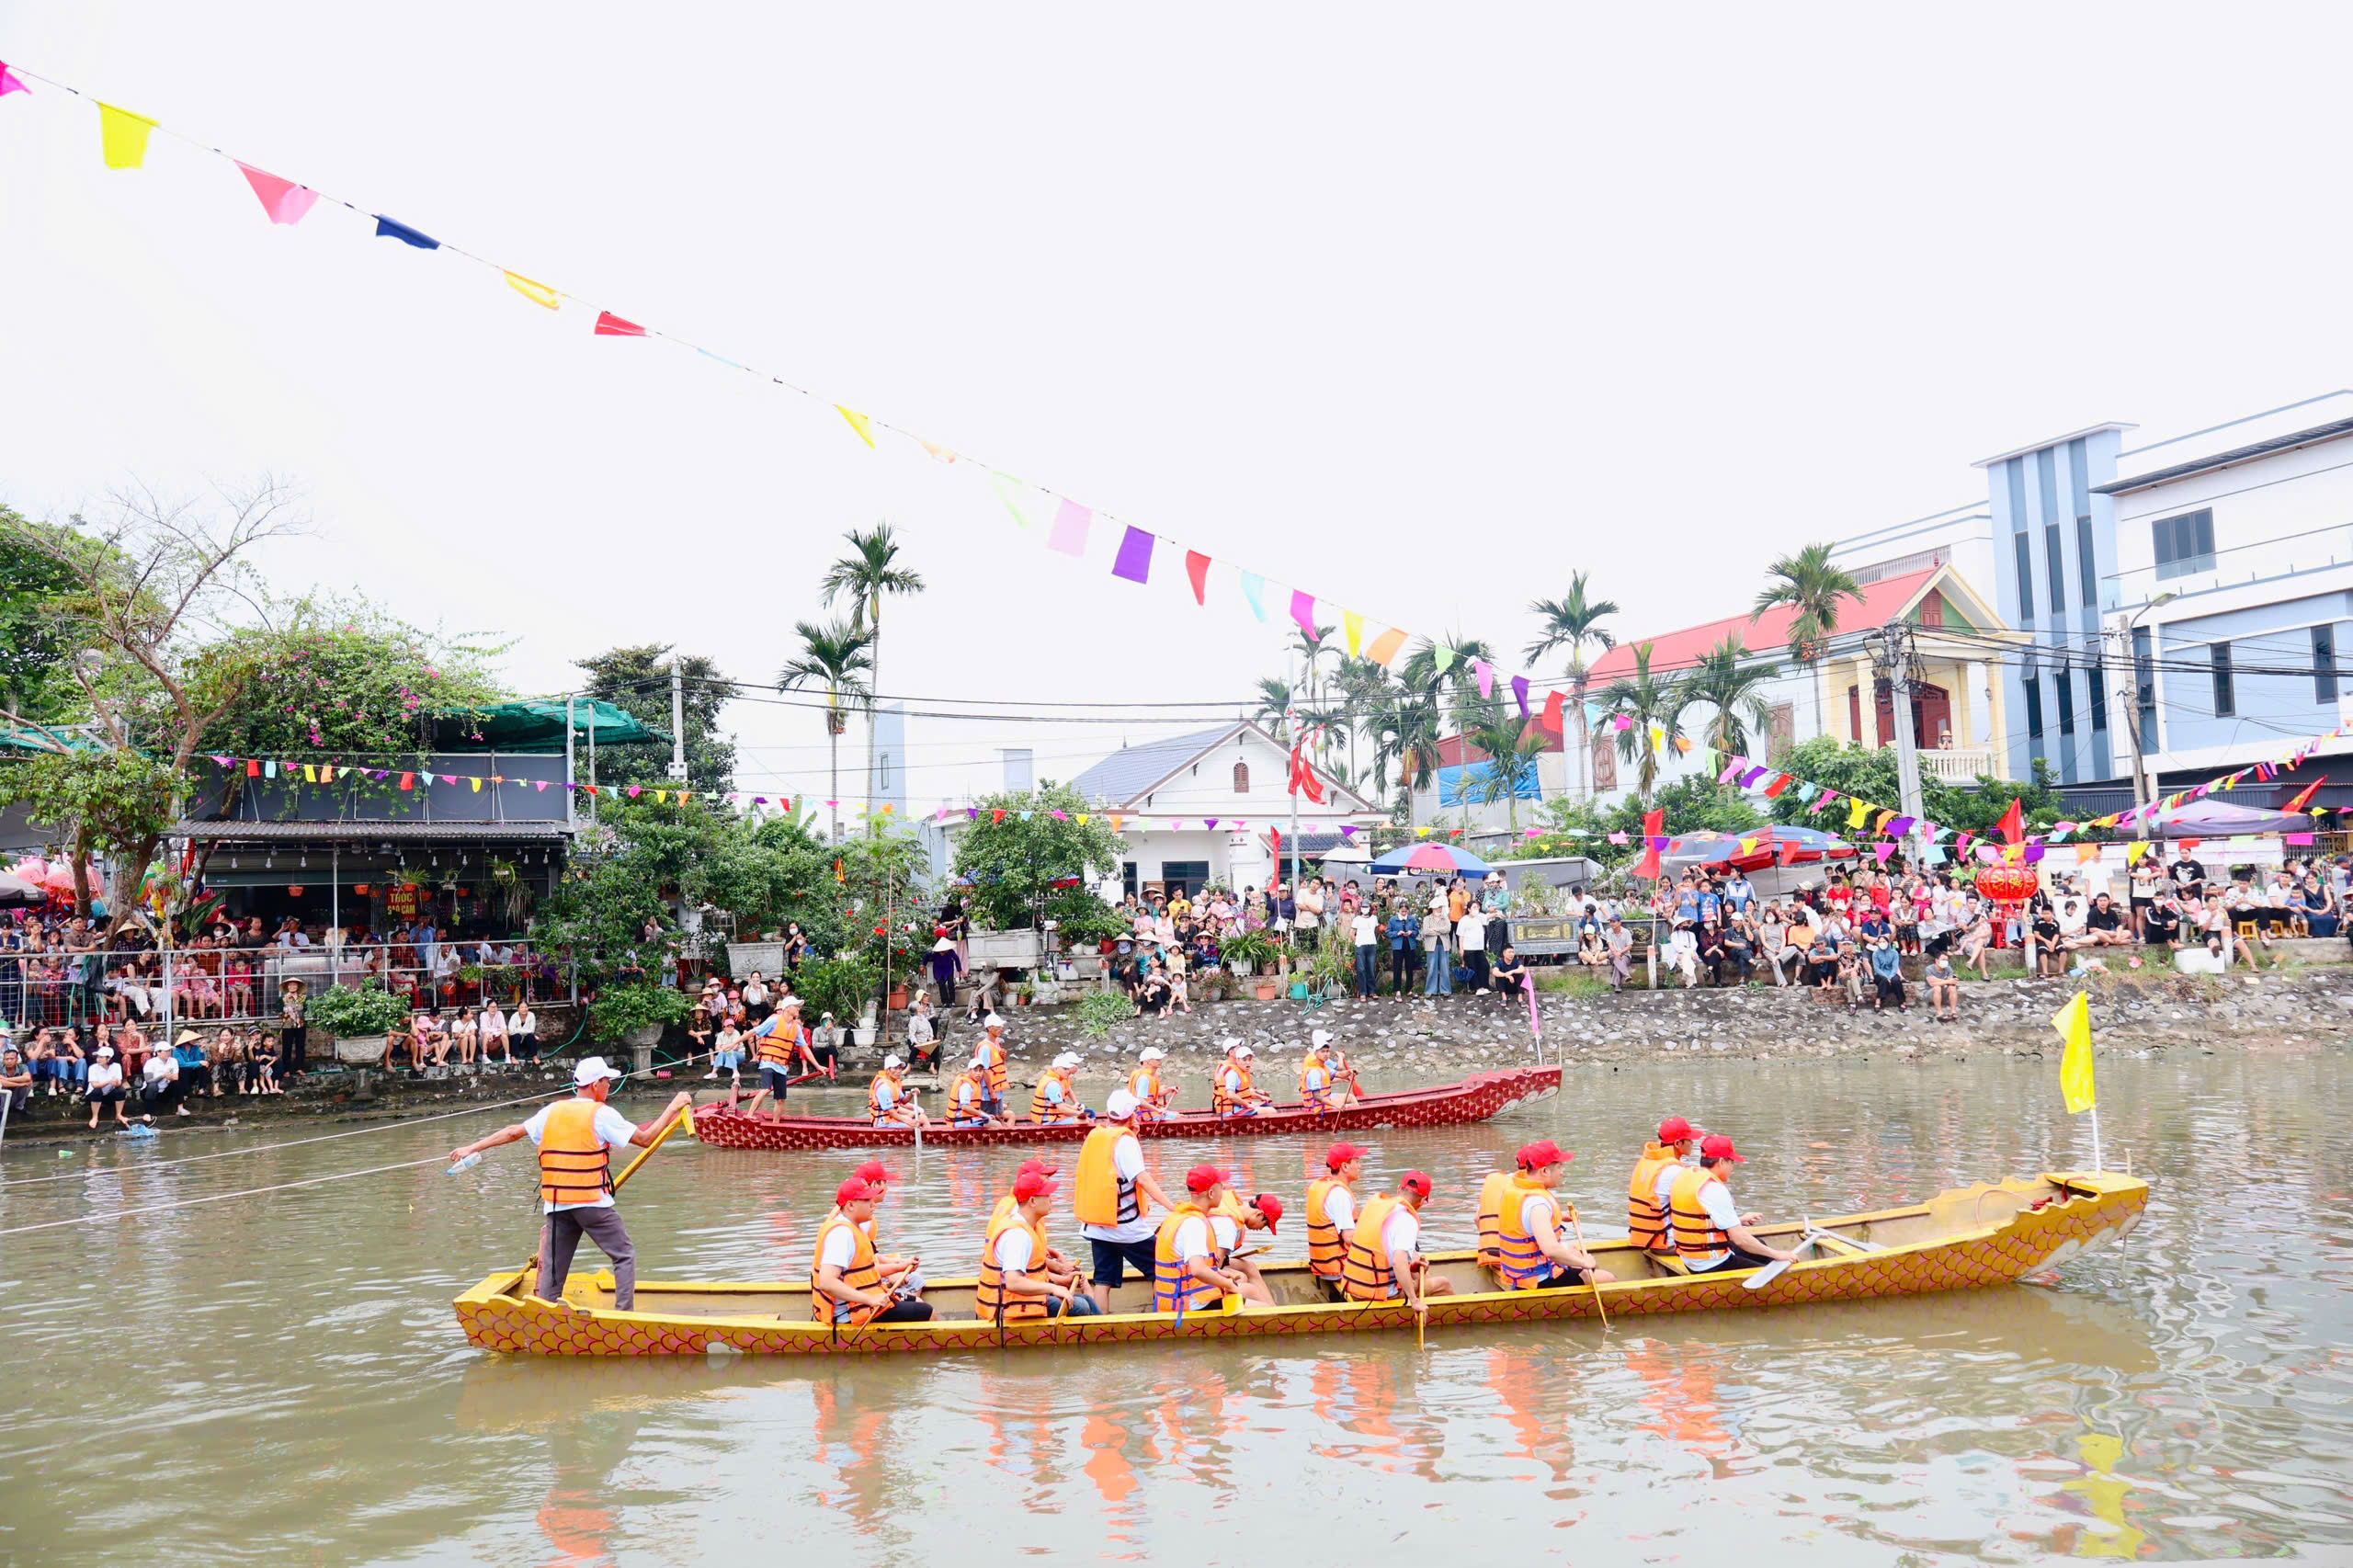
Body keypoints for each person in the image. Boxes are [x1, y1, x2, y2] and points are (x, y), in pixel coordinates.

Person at [447, 1058, 693, 1312]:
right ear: (595, 1085)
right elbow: (646, 1139)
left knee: (553, 1270)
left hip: (556, 1204)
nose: (609, 1086)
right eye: (607, 1081)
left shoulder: (552, 1111)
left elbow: (512, 1132)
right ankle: (624, 1315)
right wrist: (673, 1107)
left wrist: (472, 1147)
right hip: (591, 1204)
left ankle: (544, 1313)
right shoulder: (601, 1114)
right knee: (624, 1254)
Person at [1074, 1088, 1178, 1309]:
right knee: (1162, 1267)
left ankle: (1100, 1321)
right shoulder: (1125, 1142)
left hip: (1097, 1224)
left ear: (1107, 1114)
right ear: (1132, 1116)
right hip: (1125, 1227)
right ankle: (1163, 1315)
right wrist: (1172, 1207)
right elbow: (1143, 1179)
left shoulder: (1096, 1135)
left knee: (1103, 1280)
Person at [979, 1170, 1100, 1322]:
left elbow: (1033, 1272)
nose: (1051, 1200)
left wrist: (1060, 1281)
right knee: (1081, 1306)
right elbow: (1013, 1282)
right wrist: (1053, 1288)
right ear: (1032, 1201)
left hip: (1020, 1299)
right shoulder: (1017, 1235)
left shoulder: (1024, 1225)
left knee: (1086, 1300)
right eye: (1047, 1195)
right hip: (1008, 1305)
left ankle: (1105, 1328)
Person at [1667, 1134, 1799, 1275]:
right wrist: (1777, 1254)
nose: (1732, 1168)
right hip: (1710, 1265)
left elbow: (1701, 1220)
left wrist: (1739, 1220)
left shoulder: (1687, 1177)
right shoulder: (1714, 1188)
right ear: (1722, 1162)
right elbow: (1740, 1239)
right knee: (1772, 1273)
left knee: (1759, 1246)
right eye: (1732, 1163)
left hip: (1690, 1260)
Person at [812, 1176, 935, 1325]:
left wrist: (901, 1267)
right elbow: (827, 1282)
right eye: (867, 1200)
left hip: (862, 1302)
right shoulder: (841, 1234)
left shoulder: (853, 1227)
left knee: (918, 1302)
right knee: (927, 1311)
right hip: (848, 1314)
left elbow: (866, 1271)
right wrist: (870, 1300)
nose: (873, 1204)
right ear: (850, 1205)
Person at [1493, 1141, 1613, 1290]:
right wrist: (1584, 1263)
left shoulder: (1517, 1188)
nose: (1562, 1172)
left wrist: (1560, 1216)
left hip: (1520, 1275)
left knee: (1575, 1252)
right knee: (1608, 1278)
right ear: (1544, 1171)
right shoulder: (1537, 1203)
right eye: (1559, 1167)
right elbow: (1551, 1250)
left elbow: (1526, 1220)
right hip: (1540, 1279)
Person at [1341, 1171, 1454, 1313]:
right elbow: (1398, 1262)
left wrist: (1411, 1266)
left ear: (1399, 1188)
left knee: (1419, 1274)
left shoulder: (1377, 1207)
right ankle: (1454, 1319)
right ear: (1423, 1200)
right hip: (1376, 1296)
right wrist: (1414, 1301)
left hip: (1355, 1289)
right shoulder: (1407, 1219)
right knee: (1443, 1283)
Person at [1153, 1165, 1251, 1316]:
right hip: (1191, 1306)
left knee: (1248, 1293)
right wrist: (1228, 1284)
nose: (1224, 1190)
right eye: (1221, 1186)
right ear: (1211, 1193)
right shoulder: (1194, 1224)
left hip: (1177, 1301)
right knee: (1263, 1307)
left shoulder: (1178, 1216)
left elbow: (1186, 1265)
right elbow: (1197, 1269)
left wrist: (1217, 1273)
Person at [1303, 1141, 1368, 1301]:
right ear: (1344, 1166)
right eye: (1357, 1162)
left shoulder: (1322, 1186)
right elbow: (1349, 1238)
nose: (1360, 1166)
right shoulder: (1340, 1195)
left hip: (1323, 1266)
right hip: (1340, 1268)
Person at [1627, 1116, 1699, 1256]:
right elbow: (1698, 1208)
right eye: (1689, 1140)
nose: (1692, 1143)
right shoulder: (1674, 1171)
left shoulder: (1647, 1162)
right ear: (1678, 1143)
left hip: (1649, 1239)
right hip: (1668, 1244)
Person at [1211, 1040, 1271, 1117]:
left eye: (1249, 1059)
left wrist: (1259, 1096)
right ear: (1231, 1053)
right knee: (1270, 1111)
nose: (1247, 1062)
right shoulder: (1231, 1071)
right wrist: (1248, 1105)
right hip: (1230, 1109)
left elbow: (1241, 1092)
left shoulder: (1237, 1068)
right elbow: (1231, 1095)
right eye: (1238, 1048)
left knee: (1266, 1105)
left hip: (1235, 1105)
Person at [868, 1055, 926, 1129]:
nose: (899, 1071)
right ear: (887, 1070)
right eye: (895, 1068)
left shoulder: (893, 1083)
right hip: (883, 1124)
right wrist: (908, 1121)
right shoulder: (884, 1087)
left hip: (892, 1119)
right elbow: (891, 1112)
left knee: (923, 1118)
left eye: (900, 1068)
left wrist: (911, 1094)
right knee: (914, 1126)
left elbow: (903, 1101)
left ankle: (930, 1133)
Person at [1029, 1051, 1089, 1123]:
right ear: (1056, 1069)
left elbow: (1060, 1103)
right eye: (1065, 1069)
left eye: (1068, 1069)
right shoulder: (1053, 1084)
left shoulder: (1054, 1078)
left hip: (1050, 1116)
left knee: (1086, 1116)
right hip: (1048, 1121)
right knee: (1085, 1121)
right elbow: (1061, 1108)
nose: (1068, 1071)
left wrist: (1074, 1107)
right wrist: (1080, 1114)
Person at [84, 1043, 133, 1128]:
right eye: (98, 1057)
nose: (98, 1059)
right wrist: (108, 1082)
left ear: (109, 1058)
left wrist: (116, 1083)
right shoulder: (93, 1068)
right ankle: (95, 1117)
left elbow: (119, 1082)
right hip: (93, 1096)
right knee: (97, 1091)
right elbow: (95, 1085)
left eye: (101, 1057)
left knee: (121, 1090)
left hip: (109, 1094)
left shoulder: (116, 1066)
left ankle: (119, 1114)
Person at [946, 1053, 1002, 1126]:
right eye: (975, 1070)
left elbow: (975, 1108)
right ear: (970, 1070)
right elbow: (964, 1107)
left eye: (980, 1071)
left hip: (968, 1119)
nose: (978, 1073)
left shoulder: (975, 1083)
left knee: (992, 1120)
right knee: (997, 1125)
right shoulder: (966, 1085)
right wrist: (983, 1115)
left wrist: (986, 1115)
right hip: (960, 1122)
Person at [974, 1015, 1011, 1119]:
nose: (1001, 1028)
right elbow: (985, 1070)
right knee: (991, 1120)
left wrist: (1003, 1057)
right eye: (998, 1026)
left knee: (999, 1116)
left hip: (997, 1090)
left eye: (1001, 1026)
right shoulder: (985, 1047)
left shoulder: (996, 1043)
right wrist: (991, 1092)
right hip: (988, 1093)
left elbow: (997, 1066)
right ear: (990, 1028)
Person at [1125, 1046, 1176, 1119]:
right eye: (1157, 1059)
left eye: (1159, 1059)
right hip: (1143, 1116)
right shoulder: (1144, 1078)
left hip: (1147, 1113)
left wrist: (1168, 1090)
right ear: (1146, 1062)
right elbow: (1140, 1101)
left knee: (1178, 1115)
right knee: (1179, 1117)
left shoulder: (1149, 1076)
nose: (1160, 1061)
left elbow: (1151, 1097)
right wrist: (1158, 1110)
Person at [1867, 934, 1906, 1013]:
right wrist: (1886, 977)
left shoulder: (1894, 953)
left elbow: (1895, 967)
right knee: (1884, 980)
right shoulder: (1876, 954)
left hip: (1891, 973)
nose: (1882, 943)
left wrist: (1890, 977)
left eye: (1884, 941)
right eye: (1880, 942)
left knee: (1896, 981)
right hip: (1880, 974)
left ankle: (1902, 1001)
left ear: (1888, 942)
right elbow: (1876, 968)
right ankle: (1878, 1000)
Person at [1925, 949, 1961, 1022]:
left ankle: (1953, 1012)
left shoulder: (1948, 968)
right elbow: (1931, 984)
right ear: (1936, 960)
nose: (1945, 962)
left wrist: (1937, 980)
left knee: (1952, 987)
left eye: (1946, 960)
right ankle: (1939, 1012)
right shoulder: (1929, 969)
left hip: (1942, 993)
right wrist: (1947, 981)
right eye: (1943, 960)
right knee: (1937, 988)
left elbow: (1953, 981)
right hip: (1930, 994)